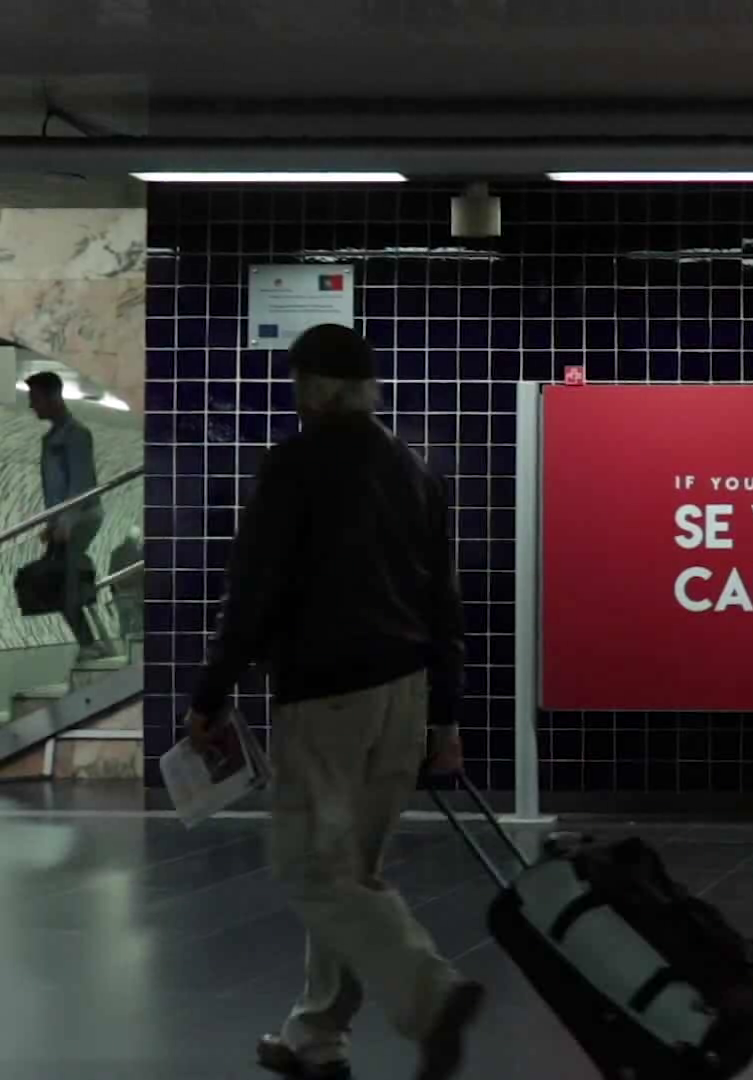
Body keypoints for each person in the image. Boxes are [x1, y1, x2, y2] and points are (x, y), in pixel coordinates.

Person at [184, 323, 483, 1080]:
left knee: (313, 869)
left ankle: (431, 995)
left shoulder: (295, 464)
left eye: (297, 383)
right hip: (405, 694)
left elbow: (253, 589)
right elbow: (444, 604)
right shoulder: (415, 472)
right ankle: (316, 1034)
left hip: (328, 696)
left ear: (315, 387)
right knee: (352, 875)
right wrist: (445, 716)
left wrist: (211, 693)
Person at [26, 371, 109, 662]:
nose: (31, 405)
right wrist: (52, 524)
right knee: (62, 580)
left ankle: (90, 644)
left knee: (59, 580)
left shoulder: (76, 435)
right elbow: (54, 489)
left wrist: (66, 522)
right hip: (64, 520)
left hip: (82, 516)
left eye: (35, 398)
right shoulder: (50, 439)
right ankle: (94, 642)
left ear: (54, 397)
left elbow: (81, 484)